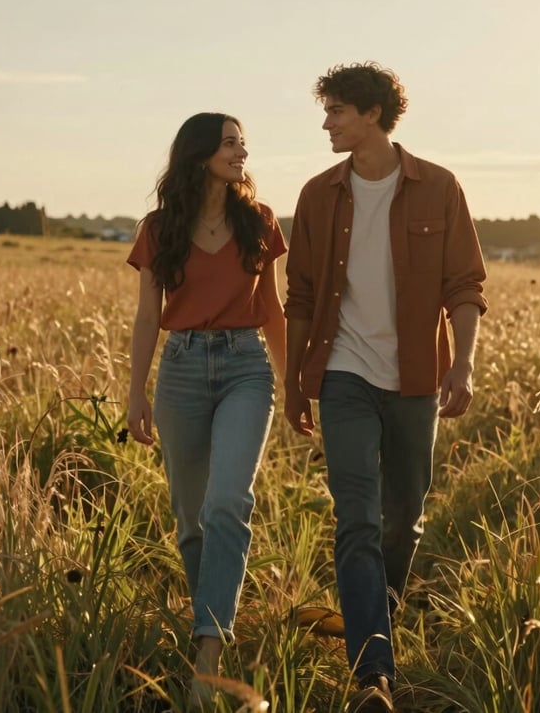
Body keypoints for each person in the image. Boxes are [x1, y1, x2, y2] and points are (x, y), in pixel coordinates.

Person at [284, 63, 487, 713]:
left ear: (372, 114)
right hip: (342, 373)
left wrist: (463, 362)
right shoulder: (319, 195)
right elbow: (302, 296)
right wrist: (294, 381)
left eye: (337, 111)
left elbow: (464, 286)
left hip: (415, 378)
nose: (326, 123)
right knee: (357, 516)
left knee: (405, 515)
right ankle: (373, 672)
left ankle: (382, 606)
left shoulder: (439, 186)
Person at [126, 112, 287, 710]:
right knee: (191, 517)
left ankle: (209, 653)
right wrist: (135, 391)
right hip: (182, 371)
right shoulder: (160, 227)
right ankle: (211, 615)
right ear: (200, 154)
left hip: (246, 366)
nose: (241, 151)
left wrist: (295, 385)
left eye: (243, 142)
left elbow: (270, 308)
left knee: (228, 502)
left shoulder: (259, 221)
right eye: (229, 142)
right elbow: (148, 316)